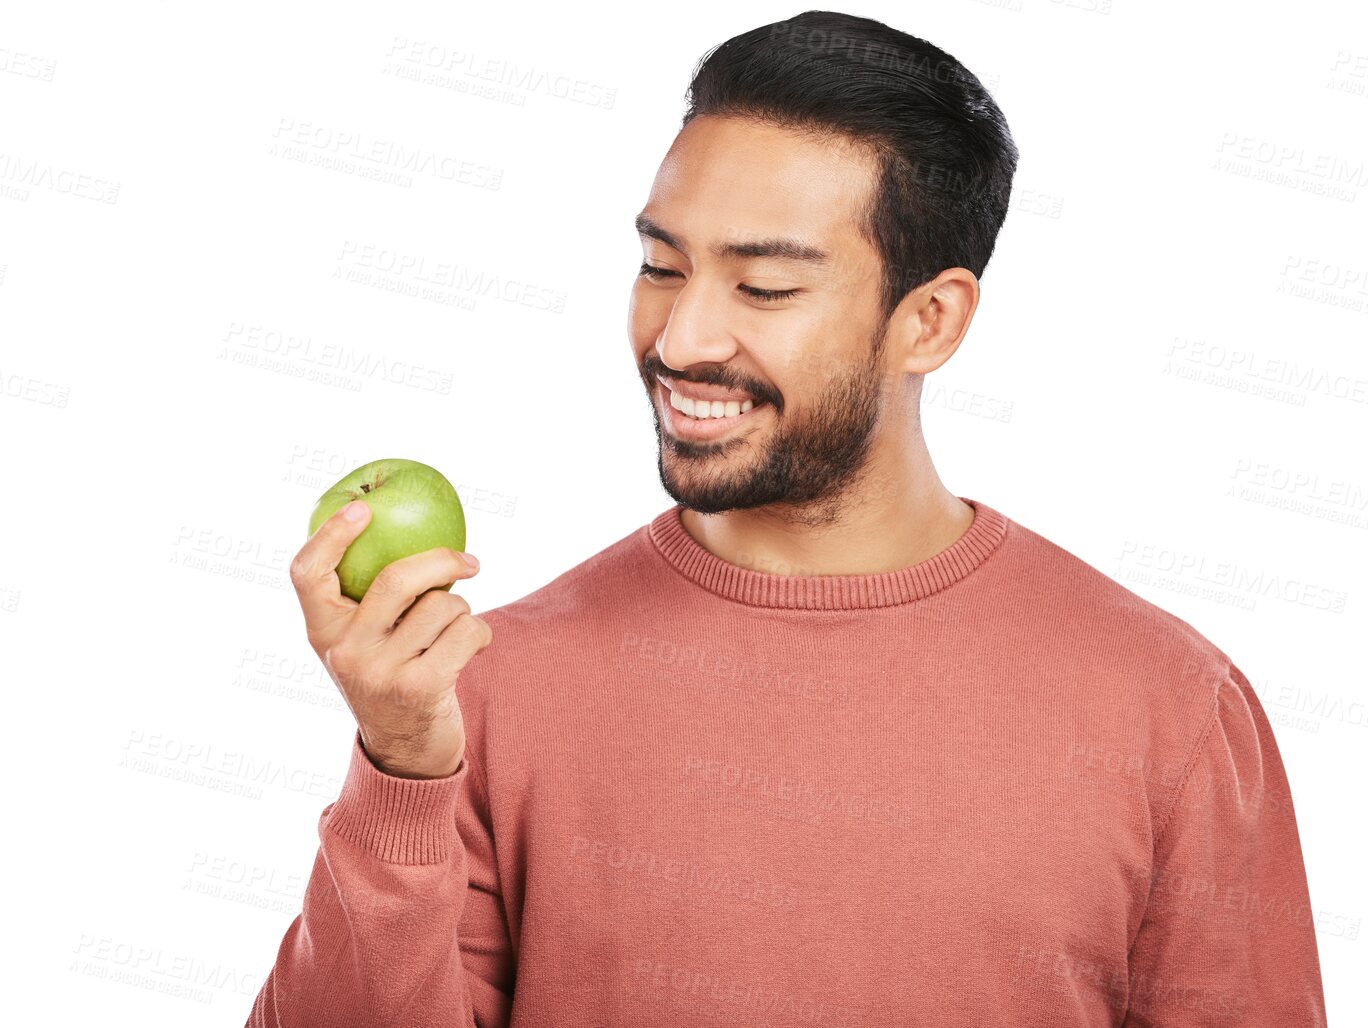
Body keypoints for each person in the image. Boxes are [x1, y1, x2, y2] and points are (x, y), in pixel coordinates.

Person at [247, 10, 1328, 1026]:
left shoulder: (1172, 710)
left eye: (763, 288)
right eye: (661, 266)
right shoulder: (481, 687)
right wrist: (398, 768)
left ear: (931, 320)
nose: (681, 339)